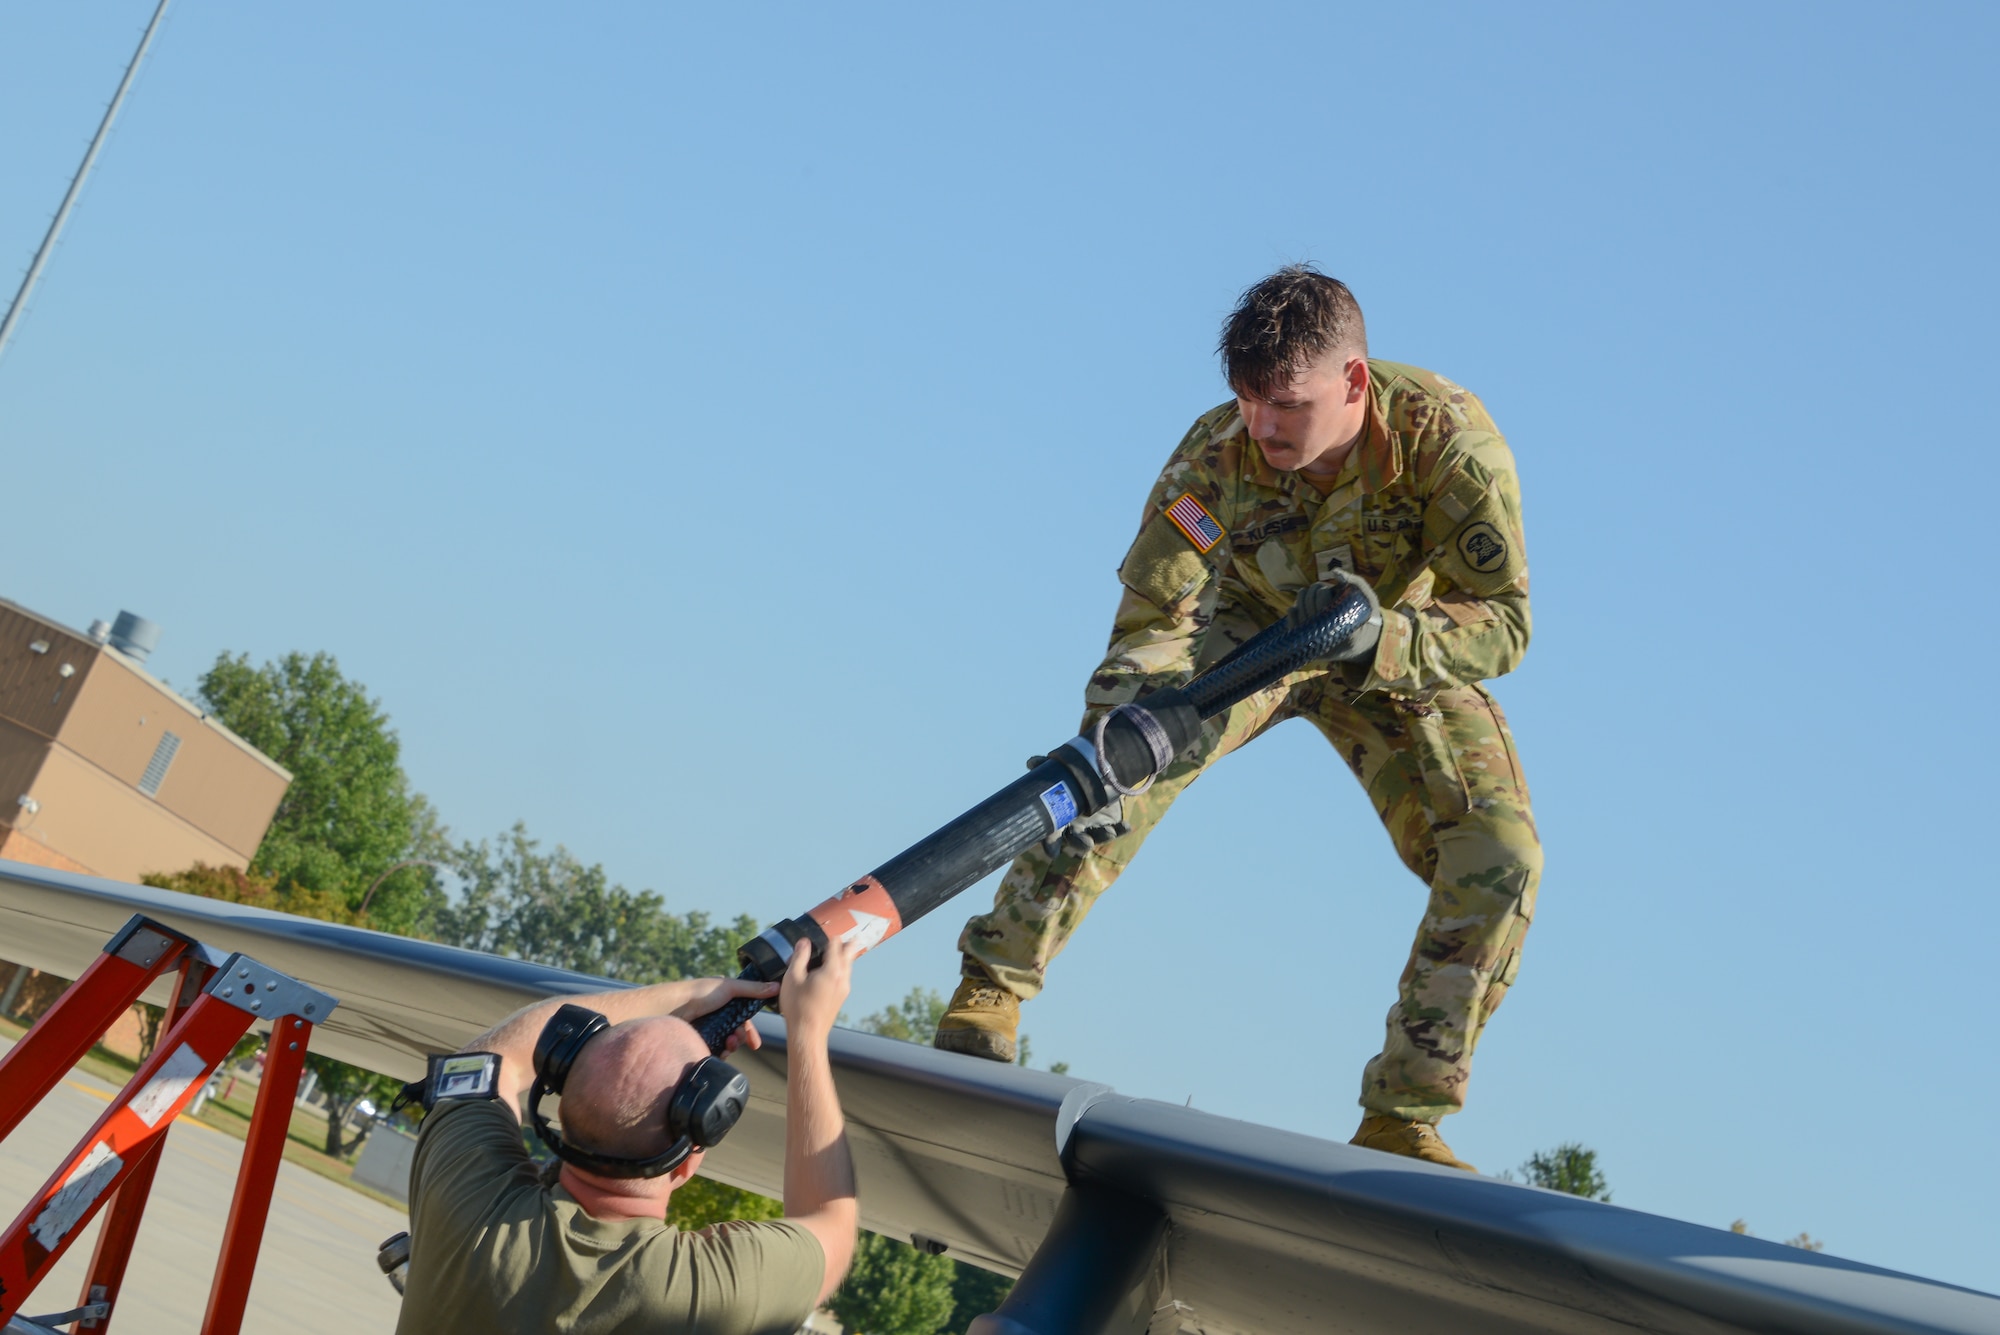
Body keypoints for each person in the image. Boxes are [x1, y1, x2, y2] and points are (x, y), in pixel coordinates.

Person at [936, 266, 1540, 1173]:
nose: (1263, 427)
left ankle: (1404, 1115)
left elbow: (1504, 622)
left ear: (1354, 382)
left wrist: (1385, 641)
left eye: (1287, 405)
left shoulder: (1448, 443)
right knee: (1121, 758)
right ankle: (991, 992)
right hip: (1251, 633)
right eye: (1249, 403)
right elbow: (1155, 621)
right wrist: (1115, 728)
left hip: (1393, 644)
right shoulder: (1211, 461)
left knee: (1501, 853)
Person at [395, 935, 860, 1333]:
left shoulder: (464, 1205)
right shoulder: (702, 1292)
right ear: (688, 1157)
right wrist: (808, 1032)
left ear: (561, 1079)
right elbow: (832, 1224)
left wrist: (686, 996)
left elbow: (492, 1060)